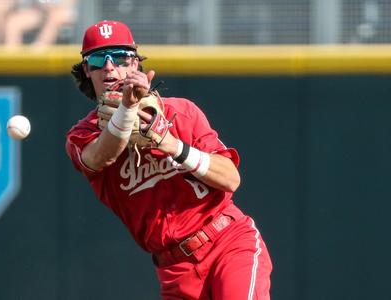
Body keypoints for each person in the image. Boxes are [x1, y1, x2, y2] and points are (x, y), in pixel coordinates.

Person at [66, 20, 273, 299]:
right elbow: (100, 156)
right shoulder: (83, 135)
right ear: (86, 71)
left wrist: (171, 144)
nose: (109, 67)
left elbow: (230, 178)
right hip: (175, 269)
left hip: (228, 242)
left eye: (119, 57)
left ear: (135, 64)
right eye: (98, 59)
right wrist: (126, 111)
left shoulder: (180, 112)